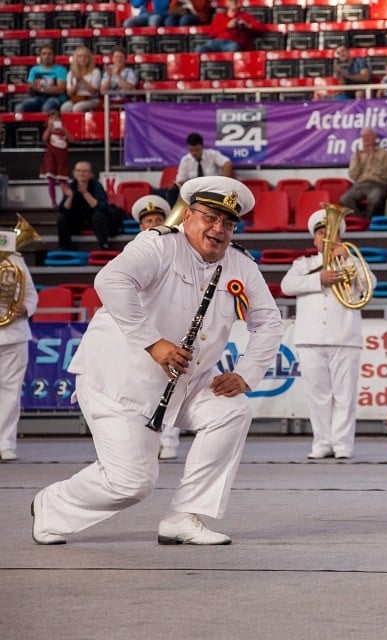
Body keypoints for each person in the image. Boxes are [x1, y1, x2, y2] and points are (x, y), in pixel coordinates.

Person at [30, 176, 285, 546]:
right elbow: (111, 280)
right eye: (210, 217)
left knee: (231, 410)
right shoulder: (158, 245)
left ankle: (184, 515)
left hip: (186, 382)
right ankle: (51, 505)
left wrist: (246, 374)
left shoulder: (241, 264)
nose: (219, 229)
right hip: (120, 382)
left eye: (228, 223)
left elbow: (269, 322)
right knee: (132, 483)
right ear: (189, 216)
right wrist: (153, 343)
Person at [281, 207, 375, 459]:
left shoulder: (352, 261)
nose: (325, 237)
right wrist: (319, 278)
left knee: (345, 395)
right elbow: (286, 286)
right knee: (318, 395)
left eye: (330, 233)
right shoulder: (303, 265)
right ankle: (322, 442)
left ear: (340, 238)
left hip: (345, 337)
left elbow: (370, 285)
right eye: (321, 233)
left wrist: (350, 260)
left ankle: (343, 444)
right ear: (314, 238)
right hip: (310, 338)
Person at [0, 229, 39, 462]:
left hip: (14, 334)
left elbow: (32, 295)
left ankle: (5, 443)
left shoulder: (15, 260)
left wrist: (25, 309)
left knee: (11, 393)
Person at [58, 161, 112, 250]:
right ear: (74, 173)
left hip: (93, 222)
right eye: (78, 171)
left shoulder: (97, 186)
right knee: (62, 217)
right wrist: (70, 197)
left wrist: (85, 193)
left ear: (90, 174)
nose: (81, 173)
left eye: (84, 171)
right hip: (77, 222)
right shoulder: (71, 186)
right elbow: (63, 209)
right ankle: (64, 248)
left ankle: (104, 245)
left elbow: (102, 207)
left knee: (98, 216)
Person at [341, 128, 387, 218]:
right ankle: (359, 219)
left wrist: (374, 160)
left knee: (375, 200)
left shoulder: (384, 154)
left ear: (375, 137)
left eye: (368, 136)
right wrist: (358, 162)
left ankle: (369, 219)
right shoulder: (357, 154)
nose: (366, 139)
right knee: (344, 199)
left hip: (377, 185)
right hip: (360, 185)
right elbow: (353, 176)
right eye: (363, 137)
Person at [169, 132, 233, 205]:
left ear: (202, 146)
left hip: (212, 189)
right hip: (194, 190)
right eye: (191, 150)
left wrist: (222, 181)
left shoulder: (212, 154)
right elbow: (180, 181)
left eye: (197, 150)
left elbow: (227, 163)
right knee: (172, 191)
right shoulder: (185, 160)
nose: (194, 153)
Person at [194, 0, 264, 53]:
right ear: (227, 3)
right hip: (216, 42)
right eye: (231, 1)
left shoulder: (245, 16)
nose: (233, 3)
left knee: (233, 48)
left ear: (239, 3)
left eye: (235, 1)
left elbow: (261, 28)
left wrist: (247, 25)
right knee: (199, 49)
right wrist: (227, 26)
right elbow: (211, 33)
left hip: (232, 43)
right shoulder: (219, 16)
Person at [15, 45, 68, 114]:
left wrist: (40, 89)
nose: (47, 56)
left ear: (54, 56)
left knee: (46, 108)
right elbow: (31, 91)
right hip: (38, 98)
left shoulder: (60, 69)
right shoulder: (34, 70)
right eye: (44, 54)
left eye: (49, 54)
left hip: (56, 99)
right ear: (40, 56)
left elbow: (60, 89)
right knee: (19, 108)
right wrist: (30, 88)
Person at [40, 109, 72, 209]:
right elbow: (44, 139)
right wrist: (49, 129)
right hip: (51, 159)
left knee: (63, 181)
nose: (54, 120)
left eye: (56, 118)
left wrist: (64, 129)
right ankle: (53, 201)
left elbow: (71, 139)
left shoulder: (63, 131)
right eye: (51, 118)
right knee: (51, 180)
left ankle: (65, 201)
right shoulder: (48, 132)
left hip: (62, 159)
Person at [61, 46, 102, 114]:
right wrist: (76, 82)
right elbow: (69, 93)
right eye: (80, 56)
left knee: (77, 108)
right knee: (64, 108)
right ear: (76, 58)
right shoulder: (71, 73)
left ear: (89, 58)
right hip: (76, 99)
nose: (83, 58)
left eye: (85, 56)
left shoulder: (95, 71)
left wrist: (82, 79)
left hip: (91, 99)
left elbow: (93, 91)